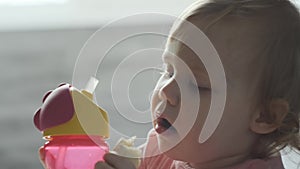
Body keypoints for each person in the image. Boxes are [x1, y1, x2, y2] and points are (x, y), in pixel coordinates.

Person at [95, 0, 300, 168]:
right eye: (169, 71)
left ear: (265, 116)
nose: (166, 91)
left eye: (198, 85)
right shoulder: (157, 155)